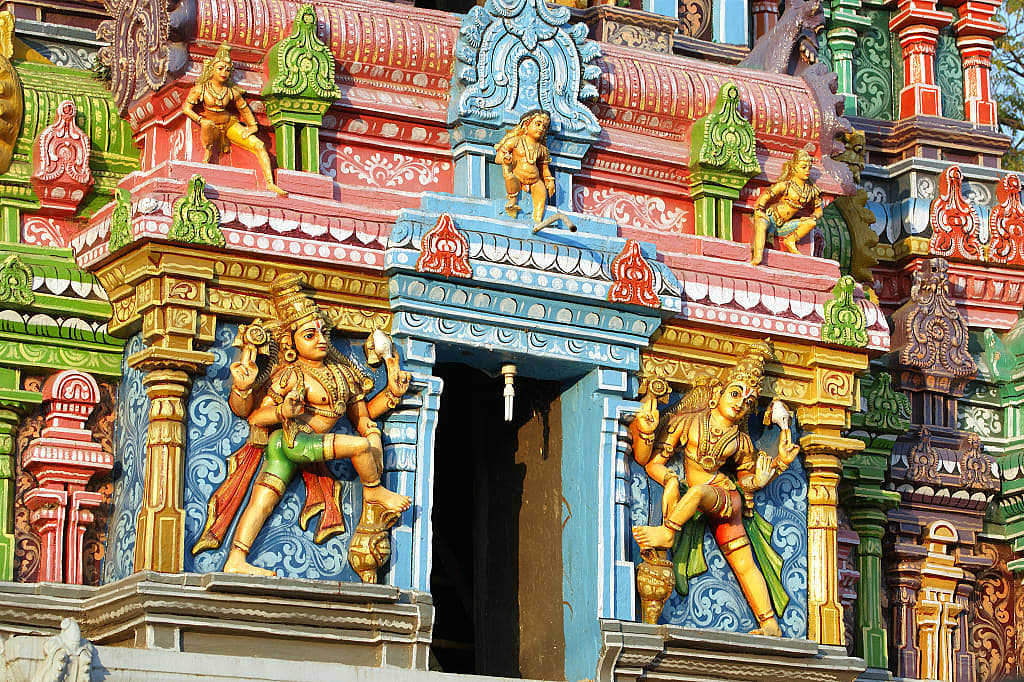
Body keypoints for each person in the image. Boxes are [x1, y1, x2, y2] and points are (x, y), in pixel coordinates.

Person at [192, 276, 412, 577]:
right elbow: (256, 417)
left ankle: (236, 559)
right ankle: (373, 491)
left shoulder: (342, 374)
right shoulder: (292, 375)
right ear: (291, 343)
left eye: (322, 333)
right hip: (293, 441)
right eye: (309, 335)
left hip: (298, 447)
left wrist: (391, 395)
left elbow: (362, 417)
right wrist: (284, 409)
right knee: (360, 447)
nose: (320, 339)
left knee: (264, 500)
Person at [630, 341, 799, 636]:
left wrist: (773, 470)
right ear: (716, 394)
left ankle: (668, 532)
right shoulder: (688, 423)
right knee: (742, 560)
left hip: (724, 498)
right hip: (703, 504)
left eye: (747, 401)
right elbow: (651, 462)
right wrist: (669, 478)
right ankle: (769, 623)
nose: (739, 402)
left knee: (699, 495)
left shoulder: (740, 441)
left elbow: (747, 479)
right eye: (735, 393)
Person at [182, 43, 287, 196]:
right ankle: (207, 155)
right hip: (211, 126)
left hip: (229, 125)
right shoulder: (201, 89)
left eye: (227, 70)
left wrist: (252, 126)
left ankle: (270, 183)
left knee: (259, 145)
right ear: (211, 69)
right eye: (220, 68)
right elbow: (186, 108)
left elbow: (244, 108)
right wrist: (200, 119)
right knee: (207, 126)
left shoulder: (231, 91)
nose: (224, 72)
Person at [749, 149, 822, 265]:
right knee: (761, 225)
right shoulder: (786, 185)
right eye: (803, 167)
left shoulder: (811, 191)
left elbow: (819, 211)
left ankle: (790, 241)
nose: (807, 170)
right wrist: (759, 210)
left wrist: (812, 217)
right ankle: (757, 256)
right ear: (794, 168)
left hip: (784, 226)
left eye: (809, 168)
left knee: (811, 223)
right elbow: (765, 196)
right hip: (771, 218)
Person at [495, 110, 556, 223]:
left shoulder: (542, 149)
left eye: (544, 126)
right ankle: (512, 200)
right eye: (537, 124)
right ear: (526, 125)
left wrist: (549, 181)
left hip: (535, 180)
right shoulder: (515, 141)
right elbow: (498, 158)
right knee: (509, 176)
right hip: (517, 177)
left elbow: (544, 169)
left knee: (542, 194)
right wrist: (506, 160)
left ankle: (537, 221)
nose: (541, 128)